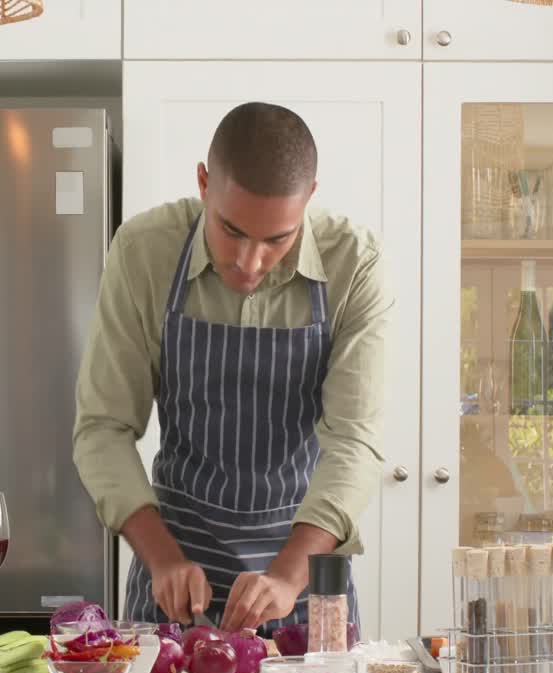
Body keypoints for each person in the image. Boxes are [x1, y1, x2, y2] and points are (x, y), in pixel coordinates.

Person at [73, 102, 391, 633]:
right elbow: (102, 428)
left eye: (276, 239)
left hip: (305, 578)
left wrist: (289, 578)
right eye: (232, 229)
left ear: (309, 198)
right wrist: (163, 560)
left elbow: (355, 442)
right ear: (203, 182)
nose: (250, 261)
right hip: (175, 571)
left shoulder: (354, 264)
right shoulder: (144, 251)